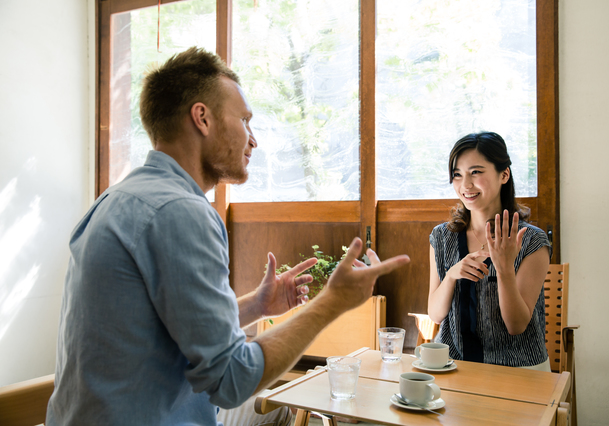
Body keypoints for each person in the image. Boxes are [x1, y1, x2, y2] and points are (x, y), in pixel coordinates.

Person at [46, 47, 410, 425]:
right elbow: (231, 380)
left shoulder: (116, 198)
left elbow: (161, 325)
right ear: (202, 118)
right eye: (245, 120)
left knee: (274, 413)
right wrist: (332, 302)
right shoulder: (180, 210)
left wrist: (256, 305)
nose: (253, 140)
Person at [427, 132, 551, 370]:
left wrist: (505, 269)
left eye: (476, 172)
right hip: (453, 365)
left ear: (504, 174)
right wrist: (452, 274)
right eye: (457, 175)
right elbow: (435, 314)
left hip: (519, 370)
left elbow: (516, 325)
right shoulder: (442, 237)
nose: (465, 185)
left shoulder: (532, 241)